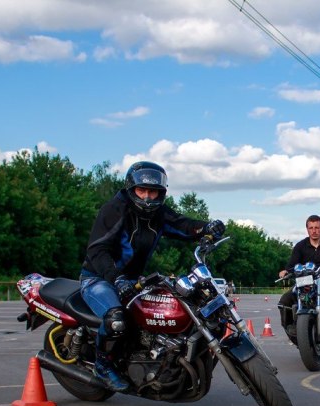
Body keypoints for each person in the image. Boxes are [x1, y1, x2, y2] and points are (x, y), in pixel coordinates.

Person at [80, 161, 225, 391]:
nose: (147, 197)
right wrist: (115, 279)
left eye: (153, 191)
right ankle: (103, 365)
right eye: (142, 190)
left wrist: (207, 227)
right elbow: (97, 250)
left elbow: (183, 225)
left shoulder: (158, 214)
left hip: (133, 280)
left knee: (164, 312)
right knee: (116, 319)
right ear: (131, 189)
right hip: (99, 278)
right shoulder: (114, 210)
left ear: (161, 193)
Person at [277, 215, 320, 340]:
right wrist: (285, 271)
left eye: (317, 228)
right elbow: (291, 264)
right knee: (284, 302)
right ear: (307, 229)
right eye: (311, 228)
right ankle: (291, 328)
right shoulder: (300, 246)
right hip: (303, 282)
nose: (314, 231)